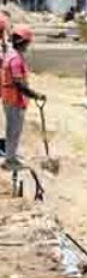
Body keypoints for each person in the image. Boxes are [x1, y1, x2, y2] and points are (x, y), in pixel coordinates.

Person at [1, 25, 44, 170]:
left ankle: (11, 155)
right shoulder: (15, 59)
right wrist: (35, 95)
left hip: (11, 98)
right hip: (13, 99)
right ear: (23, 42)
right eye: (27, 43)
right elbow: (19, 85)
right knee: (14, 130)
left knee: (13, 129)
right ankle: (10, 161)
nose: (28, 46)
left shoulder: (11, 54)